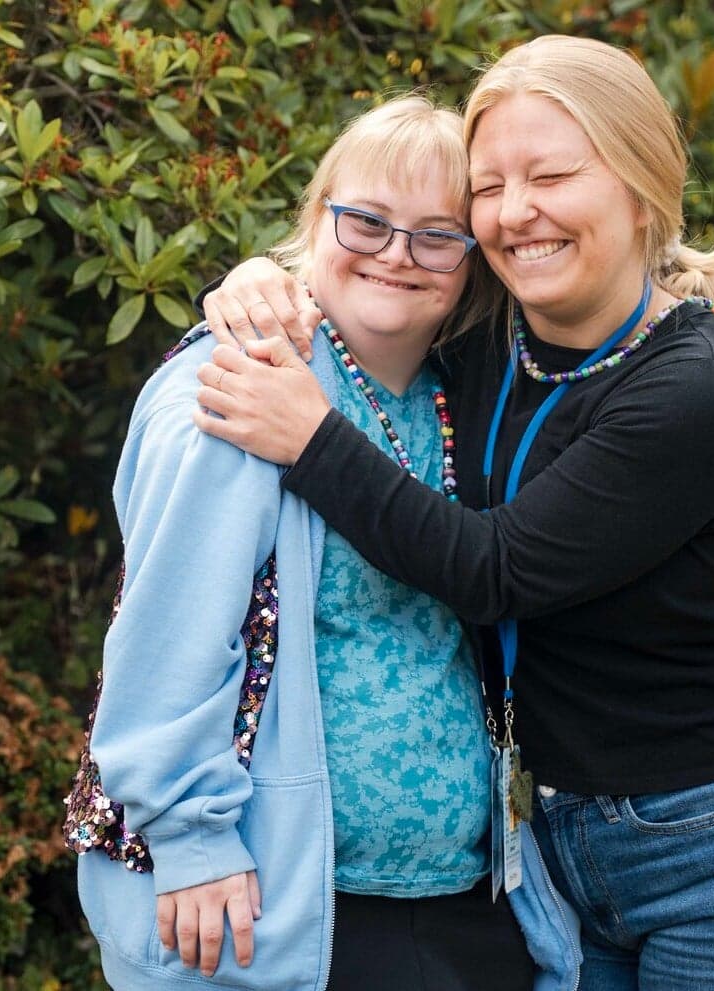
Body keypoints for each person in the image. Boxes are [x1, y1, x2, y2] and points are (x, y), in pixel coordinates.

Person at [193, 34, 714, 991]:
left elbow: (495, 572)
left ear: (640, 186)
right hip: (564, 866)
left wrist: (312, 438)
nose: (514, 213)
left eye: (551, 175)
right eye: (488, 186)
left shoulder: (693, 391)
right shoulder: (491, 329)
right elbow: (372, 268)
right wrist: (264, 281)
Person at [71, 95, 583, 991]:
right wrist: (191, 837)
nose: (396, 253)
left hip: (466, 900)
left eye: (435, 234)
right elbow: (165, 633)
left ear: (471, 261)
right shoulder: (237, 382)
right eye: (366, 221)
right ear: (316, 221)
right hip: (280, 908)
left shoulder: (465, 396)